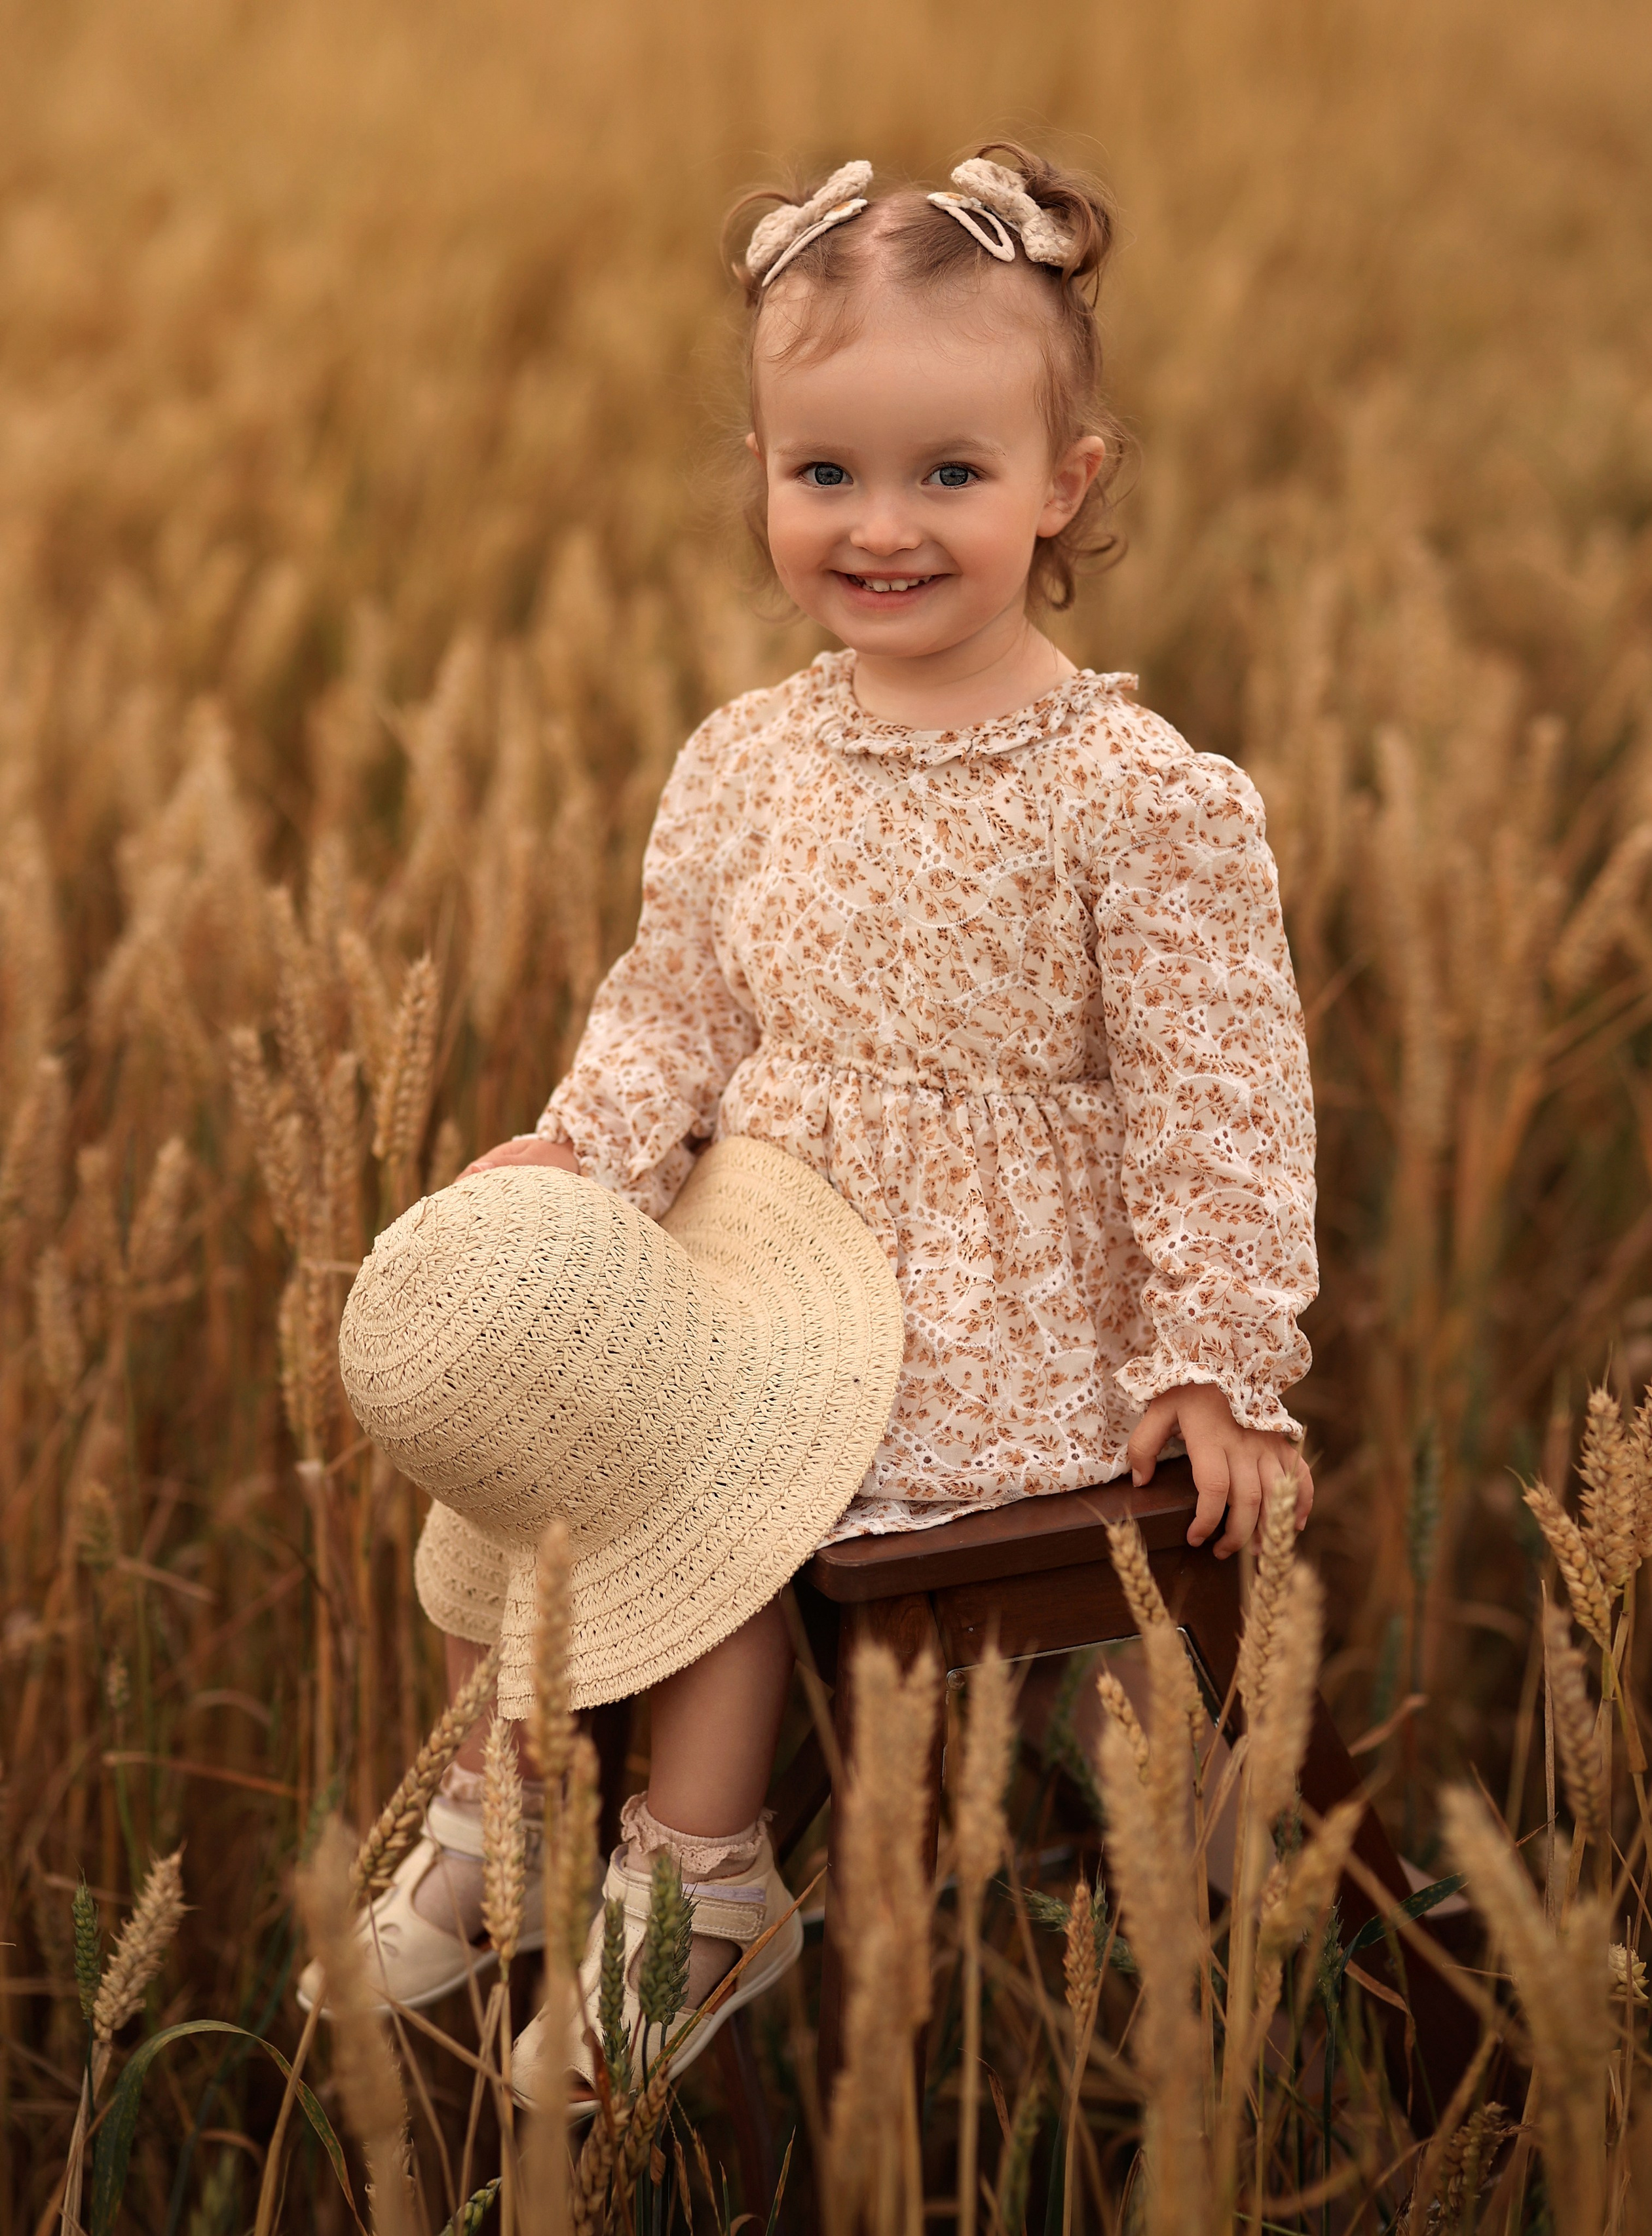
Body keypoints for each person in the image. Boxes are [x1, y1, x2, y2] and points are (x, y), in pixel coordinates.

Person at [315, 143, 1319, 2103]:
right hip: (761, 1238)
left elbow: (1225, 1091)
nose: (883, 527)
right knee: (544, 1421)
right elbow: (675, 1001)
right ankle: (499, 1813)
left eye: (951, 474)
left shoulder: (1139, 794)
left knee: (734, 1484)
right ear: (765, 473)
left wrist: (1218, 1358)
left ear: (1065, 487)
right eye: (825, 474)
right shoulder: (751, 756)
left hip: (986, 1311)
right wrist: (582, 1153)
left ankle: (702, 1885)